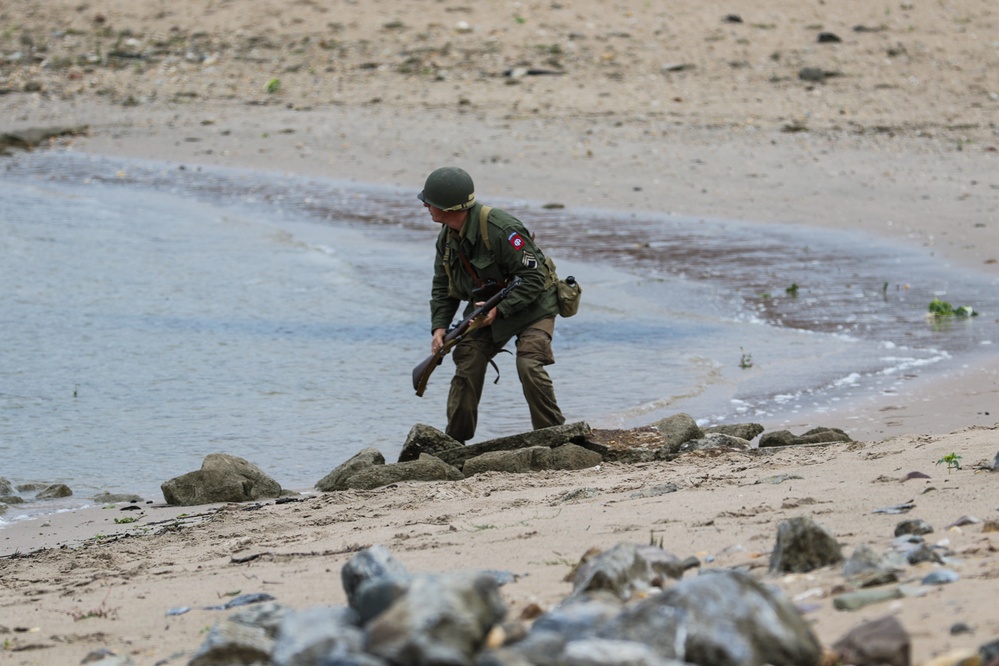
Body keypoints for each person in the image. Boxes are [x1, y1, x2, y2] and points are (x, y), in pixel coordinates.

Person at [420, 166, 566, 443]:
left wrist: (500, 310)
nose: (426, 206)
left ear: (449, 207)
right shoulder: (448, 237)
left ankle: (555, 437)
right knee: (467, 360)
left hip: (533, 306)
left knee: (529, 365)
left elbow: (535, 278)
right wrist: (439, 327)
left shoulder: (502, 228)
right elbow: (442, 286)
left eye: (431, 202)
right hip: (487, 309)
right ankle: (455, 444)